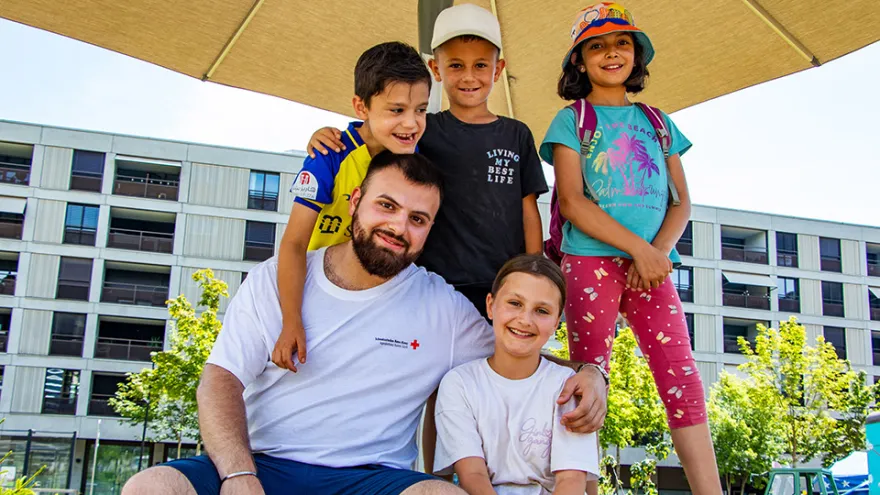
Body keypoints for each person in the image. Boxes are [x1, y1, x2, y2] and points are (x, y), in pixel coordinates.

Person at [122, 153, 606, 495]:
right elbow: (220, 380)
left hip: (372, 478)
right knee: (151, 486)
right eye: (387, 206)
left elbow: (520, 348)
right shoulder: (281, 278)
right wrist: (238, 476)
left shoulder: (442, 307)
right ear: (355, 201)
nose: (399, 227)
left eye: (418, 218)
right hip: (261, 465)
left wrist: (589, 373)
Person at [539, 3, 722, 494]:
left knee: (681, 376)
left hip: (652, 270)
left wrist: (656, 255)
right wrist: (639, 249)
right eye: (595, 45)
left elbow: (680, 201)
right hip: (589, 263)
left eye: (621, 43)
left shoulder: (658, 121)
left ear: (637, 55)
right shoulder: (571, 120)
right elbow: (574, 203)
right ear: (579, 61)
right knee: (589, 376)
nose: (610, 52)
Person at [303, 3, 548, 323]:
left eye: (480, 66)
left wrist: (535, 270)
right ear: (435, 69)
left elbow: (528, 209)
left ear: (498, 69)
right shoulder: (421, 131)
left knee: (496, 369)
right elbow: (374, 137)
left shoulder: (517, 134)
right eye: (456, 65)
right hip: (429, 282)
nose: (469, 76)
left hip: (502, 285)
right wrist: (324, 135)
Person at [273, 41, 432, 372]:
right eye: (396, 110)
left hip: (376, 304)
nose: (411, 124)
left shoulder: (415, 165)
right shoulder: (329, 154)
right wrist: (290, 320)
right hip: (315, 296)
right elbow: (294, 243)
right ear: (361, 107)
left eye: (420, 110)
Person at [434, 255, 599, 495]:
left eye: (541, 310)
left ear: (556, 323)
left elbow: (571, 482)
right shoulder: (460, 384)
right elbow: (472, 474)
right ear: (490, 305)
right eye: (515, 303)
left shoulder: (567, 386)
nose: (525, 319)